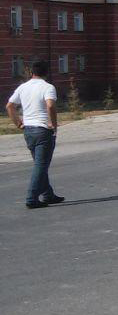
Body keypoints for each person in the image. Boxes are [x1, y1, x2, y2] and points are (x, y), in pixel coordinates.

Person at [6, 61, 64, 208]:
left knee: (40, 164)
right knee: (41, 166)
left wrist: (18, 123)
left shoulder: (23, 87)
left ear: (32, 72)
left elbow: (9, 106)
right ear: (46, 73)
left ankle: (48, 194)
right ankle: (31, 198)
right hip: (43, 130)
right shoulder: (48, 87)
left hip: (28, 130)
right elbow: (50, 105)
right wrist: (53, 124)